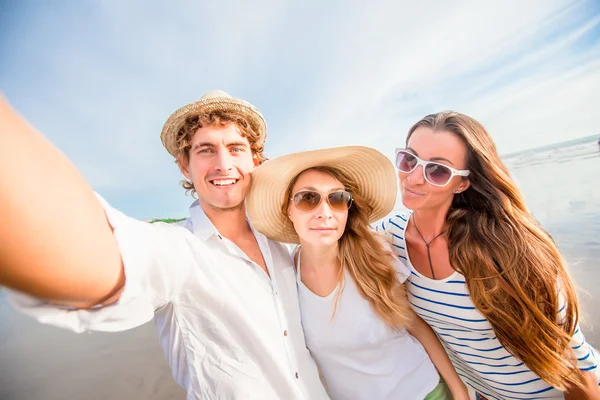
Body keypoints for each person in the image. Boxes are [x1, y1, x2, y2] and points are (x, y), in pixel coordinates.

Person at [0, 91, 330, 400]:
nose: (223, 163)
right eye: (205, 150)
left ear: (255, 161)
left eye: (236, 148)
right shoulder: (177, 251)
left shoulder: (286, 244)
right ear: (184, 165)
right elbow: (89, 257)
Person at [376, 111, 600, 399]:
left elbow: (576, 371)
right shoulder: (388, 237)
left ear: (463, 183)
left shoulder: (508, 250)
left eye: (437, 170)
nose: (414, 178)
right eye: (409, 160)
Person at [246, 146, 470, 400]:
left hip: (426, 393)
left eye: (337, 199)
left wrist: (460, 390)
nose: (324, 212)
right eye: (308, 198)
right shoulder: (283, 277)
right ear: (289, 209)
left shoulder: (374, 254)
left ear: (347, 210)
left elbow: (416, 326)